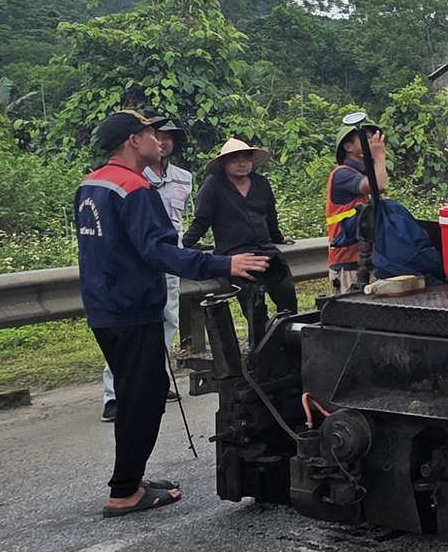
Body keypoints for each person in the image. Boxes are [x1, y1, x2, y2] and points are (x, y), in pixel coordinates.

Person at [77, 110, 264, 517]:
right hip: (132, 310)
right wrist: (222, 265)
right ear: (132, 141)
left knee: (131, 394)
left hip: (103, 308)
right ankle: (125, 490)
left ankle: (132, 477)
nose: (157, 139)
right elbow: (160, 251)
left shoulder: (91, 184)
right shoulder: (134, 189)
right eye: (149, 132)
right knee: (143, 400)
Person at [100, 116, 193, 422]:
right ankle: (114, 395)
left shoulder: (184, 177)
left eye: (167, 137)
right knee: (130, 330)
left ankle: (157, 378)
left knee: (167, 321)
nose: (161, 141)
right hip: (138, 262)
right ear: (135, 141)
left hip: (169, 259)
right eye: (155, 134)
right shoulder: (135, 178)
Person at [186, 137, 299, 338]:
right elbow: (201, 222)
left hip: (266, 251)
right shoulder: (213, 187)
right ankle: (262, 351)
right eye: (235, 159)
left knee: (287, 297)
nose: (241, 163)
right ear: (224, 163)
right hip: (236, 256)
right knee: (254, 308)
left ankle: (291, 344)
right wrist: (181, 245)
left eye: (245, 158)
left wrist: (278, 237)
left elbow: (270, 216)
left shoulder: (261, 183)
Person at [325, 111, 390, 296]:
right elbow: (378, 186)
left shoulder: (361, 173)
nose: (373, 143)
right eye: (366, 139)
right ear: (348, 147)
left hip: (368, 262)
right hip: (349, 265)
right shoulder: (342, 174)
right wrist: (380, 157)